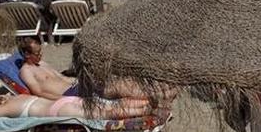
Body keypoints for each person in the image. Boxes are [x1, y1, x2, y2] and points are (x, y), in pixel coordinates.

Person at [18, 38, 176, 101]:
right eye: (37, 53)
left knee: (121, 80)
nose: (41, 55)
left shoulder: (42, 64)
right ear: (26, 54)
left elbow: (60, 77)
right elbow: (39, 92)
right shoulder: (26, 71)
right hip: (71, 94)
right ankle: (159, 95)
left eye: (40, 51)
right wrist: (68, 100)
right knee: (116, 87)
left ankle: (160, 89)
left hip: (77, 86)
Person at [0, 94, 152, 119]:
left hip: (58, 110)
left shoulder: (8, 105)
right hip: (65, 101)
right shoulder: (15, 96)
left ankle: (146, 109)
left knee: (108, 113)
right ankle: (147, 103)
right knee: (112, 105)